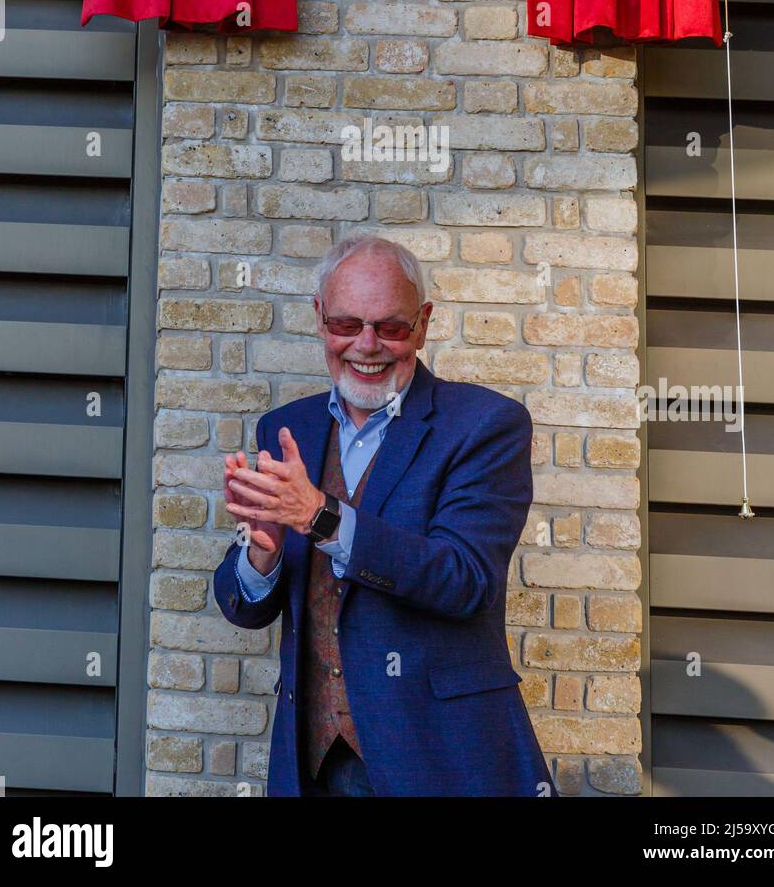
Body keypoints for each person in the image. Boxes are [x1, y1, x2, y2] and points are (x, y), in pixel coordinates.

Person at [214, 233, 558, 798]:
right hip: (316, 761)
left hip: (440, 756)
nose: (367, 345)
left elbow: (464, 579)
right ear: (319, 319)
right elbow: (246, 607)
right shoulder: (287, 429)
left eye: (391, 327)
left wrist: (319, 516)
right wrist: (263, 552)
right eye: (347, 325)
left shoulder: (485, 425)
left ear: (423, 324)